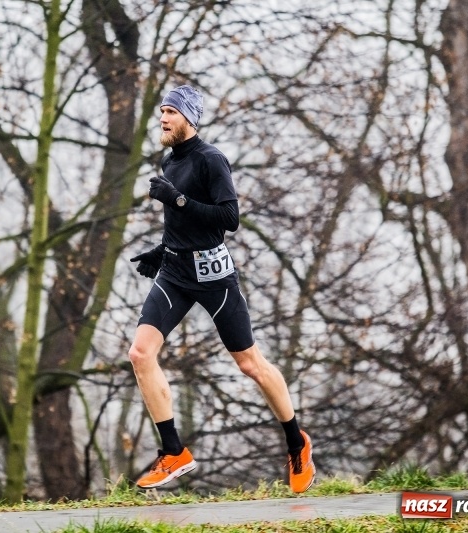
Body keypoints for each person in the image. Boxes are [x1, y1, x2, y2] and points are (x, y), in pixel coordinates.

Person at [128, 85, 315, 493]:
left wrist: (175, 199)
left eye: (171, 112)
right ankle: (174, 451)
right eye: (161, 111)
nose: (163, 118)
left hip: (215, 279)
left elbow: (228, 218)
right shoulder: (169, 160)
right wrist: (161, 251)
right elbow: (184, 225)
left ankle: (296, 442)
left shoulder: (211, 160)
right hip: (176, 274)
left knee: (250, 365)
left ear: (190, 119)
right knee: (140, 354)